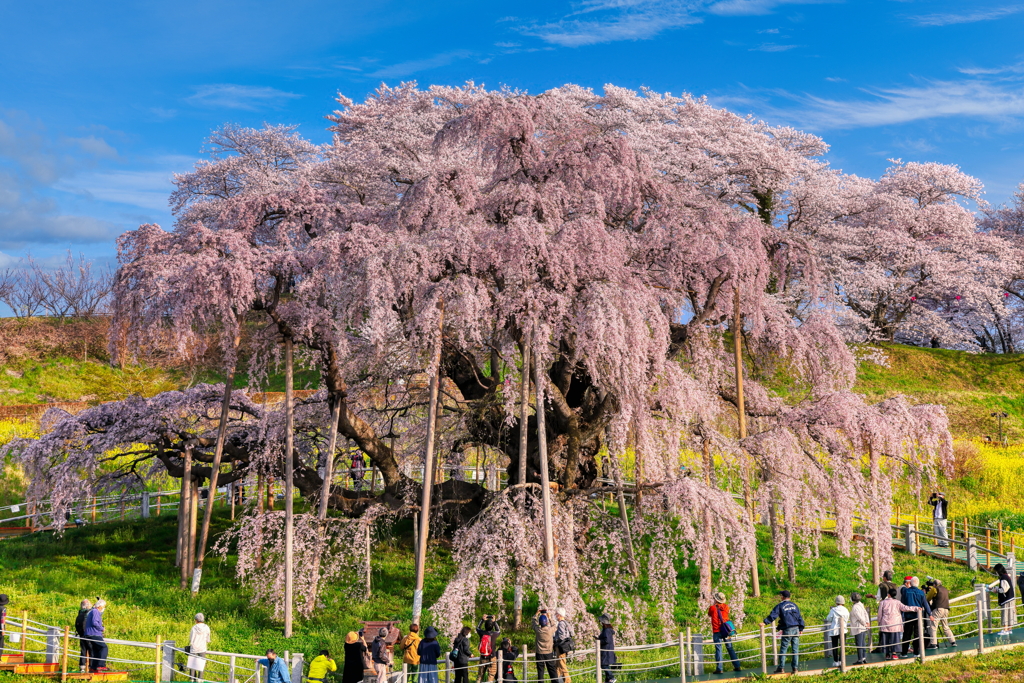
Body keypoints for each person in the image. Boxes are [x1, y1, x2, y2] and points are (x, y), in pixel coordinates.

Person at [762, 590, 804, 674]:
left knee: (783, 649)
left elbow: (773, 615)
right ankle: (795, 668)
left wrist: (765, 622)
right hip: (796, 628)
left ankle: (781, 668)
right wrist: (801, 628)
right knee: (795, 650)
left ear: (782, 597)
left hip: (787, 629)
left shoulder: (780, 606)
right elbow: (799, 617)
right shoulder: (794, 605)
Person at [877, 588, 921, 660]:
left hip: (885, 624)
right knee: (895, 639)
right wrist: (915, 608)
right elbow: (905, 608)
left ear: (888, 595)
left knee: (886, 639)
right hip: (895, 624)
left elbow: (879, 614)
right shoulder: (898, 602)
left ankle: (887, 654)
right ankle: (894, 654)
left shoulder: (883, 602)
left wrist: (879, 623)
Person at [707, 593, 741, 674]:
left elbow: (709, 614)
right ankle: (737, 666)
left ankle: (719, 669)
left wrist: (714, 605)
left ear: (716, 599)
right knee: (730, 648)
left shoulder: (712, 608)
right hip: (726, 630)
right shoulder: (726, 607)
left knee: (718, 649)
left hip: (717, 631)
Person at [900, 577, 931, 656]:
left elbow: (902, 604)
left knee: (906, 634)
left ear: (910, 583)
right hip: (918, 616)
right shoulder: (921, 593)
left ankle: (904, 652)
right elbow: (925, 604)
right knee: (917, 634)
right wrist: (930, 614)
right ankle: (916, 652)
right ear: (918, 583)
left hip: (908, 616)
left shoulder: (906, 592)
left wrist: (901, 614)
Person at [532, 609, 559, 683]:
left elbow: (533, 623)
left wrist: (536, 614)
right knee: (552, 669)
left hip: (539, 653)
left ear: (540, 623)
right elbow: (554, 625)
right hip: (548, 653)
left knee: (540, 671)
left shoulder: (538, 630)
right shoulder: (550, 630)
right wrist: (549, 617)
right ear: (546, 622)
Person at [928, 579, 956, 648]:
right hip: (946, 609)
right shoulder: (945, 589)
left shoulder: (934, 589)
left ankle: (933, 644)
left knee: (933, 626)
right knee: (945, 626)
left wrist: (929, 591)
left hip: (938, 609)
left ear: (934, 584)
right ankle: (953, 641)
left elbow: (928, 598)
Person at [824, 595, 850, 668]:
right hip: (843, 630)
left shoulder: (833, 610)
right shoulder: (846, 610)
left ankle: (836, 661)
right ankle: (842, 660)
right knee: (842, 646)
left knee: (834, 646)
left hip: (834, 630)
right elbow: (847, 617)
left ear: (836, 602)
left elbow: (828, 618)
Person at [991, 563, 1016, 636]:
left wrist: (995, 589)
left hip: (1006, 599)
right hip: (1011, 598)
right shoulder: (1007, 576)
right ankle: (1009, 629)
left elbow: (1004, 589)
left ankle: (1005, 630)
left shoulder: (1003, 578)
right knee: (1010, 613)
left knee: (1005, 614)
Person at [84, 599, 108, 672]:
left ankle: (94, 666)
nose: (104, 608)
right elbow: (95, 622)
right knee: (104, 647)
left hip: (90, 633)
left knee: (96, 650)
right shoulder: (95, 611)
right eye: (103, 606)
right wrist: (101, 628)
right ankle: (101, 665)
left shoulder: (92, 612)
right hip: (94, 633)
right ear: (100, 606)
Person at [187, 613, 212, 681]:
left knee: (192, 664)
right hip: (202, 648)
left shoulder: (194, 627)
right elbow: (208, 639)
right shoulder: (206, 627)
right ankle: (200, 678)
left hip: (194, 648)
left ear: (196, 620)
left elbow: (191, 638)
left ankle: (192, 679)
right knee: (201, 664)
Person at [848, 593, 870, 666]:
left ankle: (860, 659)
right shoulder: (861, 604)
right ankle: (864, 658)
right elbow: (865, 613)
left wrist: (864, 623)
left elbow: (859, 617)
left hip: (858, 627)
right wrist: (867, 622)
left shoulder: (855, 607)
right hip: (863, 627)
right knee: (863, 643)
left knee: (859, 644)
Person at [476, 615, 499, 683]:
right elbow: (498, 630)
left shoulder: (482, 633)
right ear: (492, 627)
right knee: (491, 674)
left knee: (480, 674)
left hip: (483, 656)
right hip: (492, 656)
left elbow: (477, 628)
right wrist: (494, 622)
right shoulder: (494, 634)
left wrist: (482, 620)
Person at [553, 608, 574, 683]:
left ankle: (567, 681)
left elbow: (562, 636)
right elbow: (572, 633)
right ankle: (556, 680)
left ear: (559, 615)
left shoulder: (561, 623)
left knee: (562, 664)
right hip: (565, 646)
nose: (555, 615)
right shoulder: (566, 623)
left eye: (556, 614)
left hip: (561, 646)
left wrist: (556, 638)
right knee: (558, 664)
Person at [595, 616, 616, 683]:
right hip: (607, 650)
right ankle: (608, 680)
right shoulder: (607, 630)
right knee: (605, 665)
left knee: (604, 664)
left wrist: (599, 641)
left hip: (606, 651)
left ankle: (611, 677)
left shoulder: (607, 630)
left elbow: (607, 640)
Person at [74, 599, 92, 671]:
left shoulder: (80, 612)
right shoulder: (89, 613)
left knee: (83, 650)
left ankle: (82, 666)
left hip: (81, 633)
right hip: (88, 634)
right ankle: (91, 666)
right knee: (91, 650)